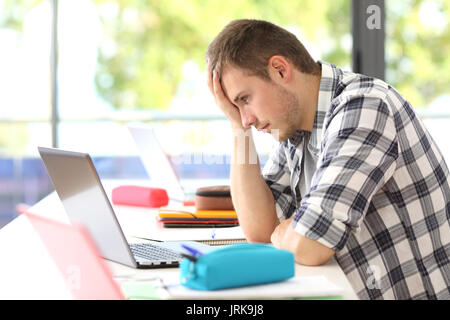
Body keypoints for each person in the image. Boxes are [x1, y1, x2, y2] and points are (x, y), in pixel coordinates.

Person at [205, 19, 450, 300]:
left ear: (280, 69)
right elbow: (260, 233)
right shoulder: (294, 129)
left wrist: (293, 231)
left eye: (244, 99)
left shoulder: (364, 106)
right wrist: (239, 130)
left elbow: (311, 245)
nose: (246, 117)